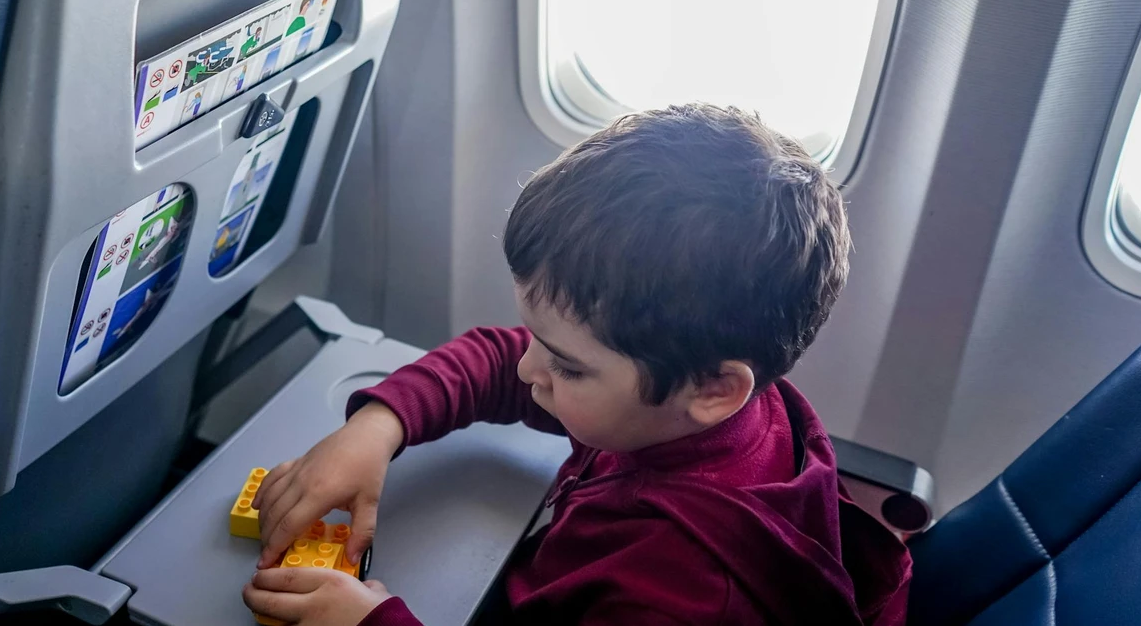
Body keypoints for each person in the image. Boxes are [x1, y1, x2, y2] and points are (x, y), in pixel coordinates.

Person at [243, 103, 912, 625]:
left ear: (713, 388)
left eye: (567, 366)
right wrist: (376, 428)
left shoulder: (681, 599)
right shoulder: (693, 407)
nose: (530, 368)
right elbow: (503, 360)